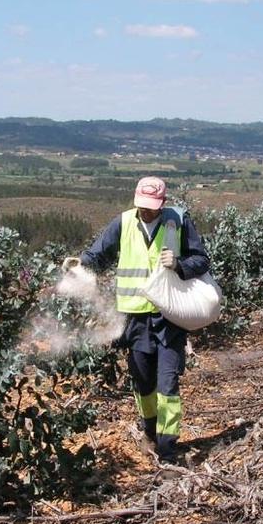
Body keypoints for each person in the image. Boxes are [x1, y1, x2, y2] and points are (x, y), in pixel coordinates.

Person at [66, 176, 211, 464]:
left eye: (152, 207)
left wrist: (180, 265)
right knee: (143, 382)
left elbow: (202, 260)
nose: (146, 211)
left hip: (169, 316)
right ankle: (150, 433)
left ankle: (169, 451)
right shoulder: (123, 223)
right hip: (134, 318)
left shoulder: (178, 222)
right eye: (142, 206)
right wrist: (79, 266)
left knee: (167, 384)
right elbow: (98, 254)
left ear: (163, 204)